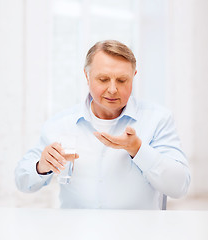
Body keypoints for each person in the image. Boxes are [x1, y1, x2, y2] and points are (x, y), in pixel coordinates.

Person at [15, 40, 190, 209]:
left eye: (122, 80)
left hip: (139, 233)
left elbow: (179, 187)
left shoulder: (158, 120)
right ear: (87, 75)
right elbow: (22, 181)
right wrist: (41, 166)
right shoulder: (60, 124)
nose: (113, 89)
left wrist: (138, 150)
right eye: (103, 79)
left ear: (133, 76)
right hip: (76, 233)